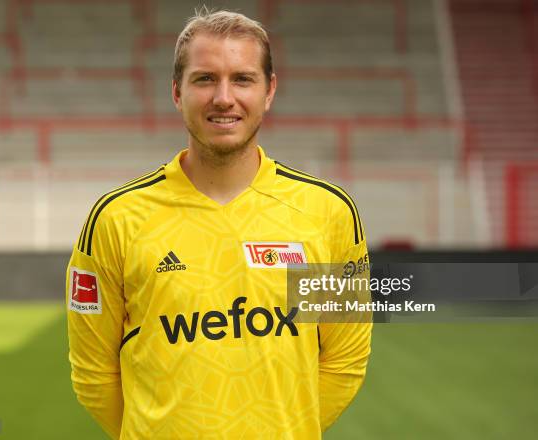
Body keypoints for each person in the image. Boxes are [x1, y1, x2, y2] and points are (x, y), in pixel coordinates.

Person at [66, 8, 372, 439]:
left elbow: (343, 363)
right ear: (176, 91)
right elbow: (94, 375)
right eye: (205, 78)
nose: (224, 98)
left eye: (243, 79)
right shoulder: (116, 219)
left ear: (269, 91)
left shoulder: (329, 213)